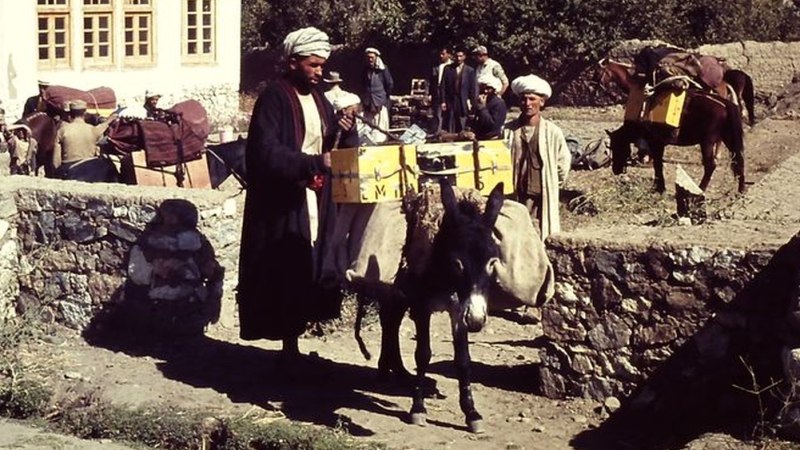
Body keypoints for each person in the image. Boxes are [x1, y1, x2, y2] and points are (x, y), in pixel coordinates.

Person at [237, 26, 358, 358]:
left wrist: (344, 130)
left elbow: (327, 139)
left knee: (311, 266)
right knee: (287, 270)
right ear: (292, 62)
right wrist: (313, 162)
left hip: (314, 199)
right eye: (313, 65)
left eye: (321, 65)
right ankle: (288, 349)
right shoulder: (274, 97)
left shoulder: (317, 98)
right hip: (284, 203)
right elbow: (265, 152)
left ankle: (300, 342)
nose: (320, 72)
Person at [506, 75, 571, 240]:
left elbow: (563, 164)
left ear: (541, 102)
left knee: (539, 234)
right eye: (523, 99)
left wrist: (551, 183)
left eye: (532, 99)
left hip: (541, 194)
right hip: (515, 194)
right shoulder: (507, 131)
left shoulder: (552, 132)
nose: (527, 104)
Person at [52, 100, 115, 181]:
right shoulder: (92, 130)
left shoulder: (62, 130)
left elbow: (55, 161)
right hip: (91, 169)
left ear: (70, 113)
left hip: (68, 170)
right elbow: (101, 128)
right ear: (85, 113)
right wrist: (109, 120)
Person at [442, 48, 477, 133]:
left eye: (461, 56)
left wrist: (472, 103)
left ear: (464, 57)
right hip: (451, 99)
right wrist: (443, 101)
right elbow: (443, 86)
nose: (459, 59)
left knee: (462, 121)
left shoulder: (470, 71)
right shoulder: (448, 69)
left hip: (463, 100)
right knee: (451, 121)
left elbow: (473, 88)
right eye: (457, 56)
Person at [361, 47, 393, 132]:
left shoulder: (383, 69)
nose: (370, 59)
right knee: (369, 123)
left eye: (372, 57)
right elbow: (363, 84)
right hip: (368, 101)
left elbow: (389, 84)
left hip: (379, 101)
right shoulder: (365, 69)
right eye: (368, 58)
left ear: (376, 58)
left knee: (380, 122)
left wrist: (384, 96)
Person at [467, 73, 507, 140]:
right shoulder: (480, 100)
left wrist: (483, 108)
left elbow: (492, 125)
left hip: (491, 138)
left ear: (494, 89)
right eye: (483, 88)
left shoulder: (499, 103)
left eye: (488, 89)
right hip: (478, 137)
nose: (485, 91)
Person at [430, 46, 452, 133]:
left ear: (448, 55)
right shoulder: (436, 66)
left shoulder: (452, 66)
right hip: (438, 91)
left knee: (449, 113)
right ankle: (437, 132)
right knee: (437, 113)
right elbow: (431, 80)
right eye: (440, 54)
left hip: (448, 92)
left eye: (443, 54)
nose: (441, 56)